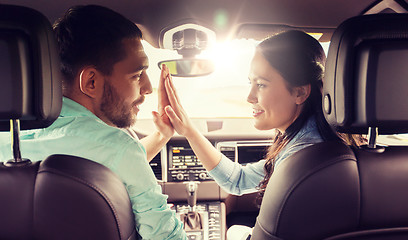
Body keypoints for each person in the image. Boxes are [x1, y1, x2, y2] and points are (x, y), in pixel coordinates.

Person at [0, 5, 186, 240]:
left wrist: (161, 136)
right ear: (91, 82)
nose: (148, 88)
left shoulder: (7, 145)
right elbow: (165, 236)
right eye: (137, 75)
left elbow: (103, 163)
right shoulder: (119, 147)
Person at [162, 30, 344, 239]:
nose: (249, 97)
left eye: (261, 85)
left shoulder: (298, 161)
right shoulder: (320, 143)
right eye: (251, 82)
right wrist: (189, 131)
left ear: (300, 92)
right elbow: (238, 180)